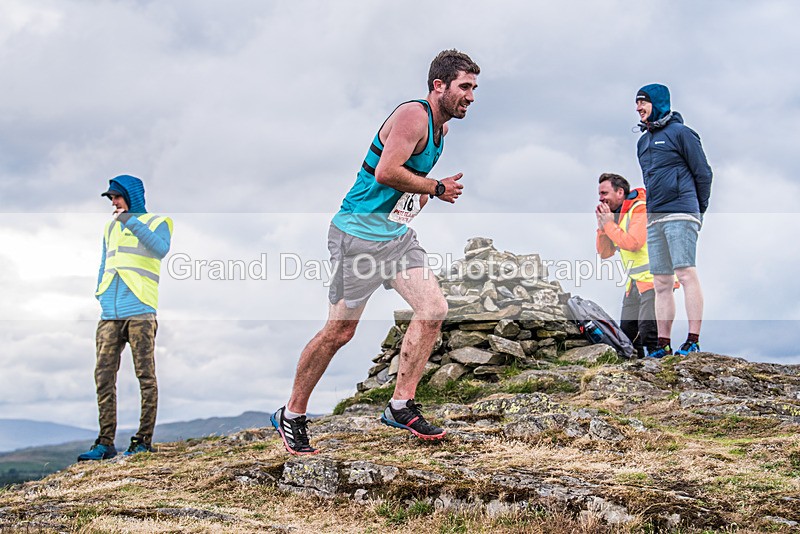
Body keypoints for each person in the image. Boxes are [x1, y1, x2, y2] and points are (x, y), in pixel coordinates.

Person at [271, 49, 480, 455]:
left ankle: (400, 405)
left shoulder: (442, 130)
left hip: (394, 238)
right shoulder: (413, 115)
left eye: (474, 88)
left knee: (433, 308)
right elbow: (386, 172)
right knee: (340, 332)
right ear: (439, 86)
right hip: (357, 236)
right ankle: (292, 414)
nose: (471, 97)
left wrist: (418, 199)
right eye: (465, 87)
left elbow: (406, 179)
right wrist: (436, 187)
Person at [77, 175, 173, 461]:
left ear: (131, 196)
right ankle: (105, 443)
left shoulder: (158, 222)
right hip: (110, 313)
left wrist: (130, 220)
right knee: (103, 376)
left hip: (141, 310)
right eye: (111, 198)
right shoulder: (110, 227)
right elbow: (104, 263)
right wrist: (100, 293)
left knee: (145, 376)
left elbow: (160, 249)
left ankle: (142, 441)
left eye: (117, 197)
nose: (113, 203)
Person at [635, 84, 712, 358]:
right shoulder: (642, 143)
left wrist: (698, 210)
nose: (638, 108)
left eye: (643, 102)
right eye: (637, 103)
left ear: (657, 103)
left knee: (685, 273)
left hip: (681, 212)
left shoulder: (682, 133)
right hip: (655, 217)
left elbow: (703, 173)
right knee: (661, 282)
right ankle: (663, 344)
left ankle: (693, 340)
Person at [595, 173, 669, 358]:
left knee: (649, 330)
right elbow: (605, 252)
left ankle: (662, 365)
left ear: (620, 192)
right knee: (628, 334)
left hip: (654, 279)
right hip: (634, 283)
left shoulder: (640, 209)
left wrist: (609, 224)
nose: (601, 199)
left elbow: (633, 243)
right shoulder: (616, 217)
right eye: (600, 194)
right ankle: (639, 369)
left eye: (604, 193)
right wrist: (602, 227)